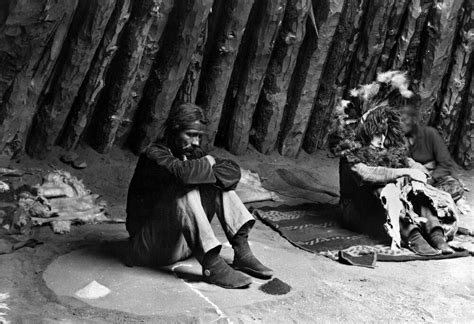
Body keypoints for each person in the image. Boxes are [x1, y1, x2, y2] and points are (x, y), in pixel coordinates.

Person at [126, 103, 273, 289]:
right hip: (148, 248)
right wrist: (210, 164)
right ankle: (212, 265)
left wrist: (209, 165)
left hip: (182, 246)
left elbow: (233, 172)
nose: (196, 142)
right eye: (190, 134)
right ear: (174, 129)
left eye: (198, 136)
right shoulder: (153, 154)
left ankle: (242, 252)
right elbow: (183, 175)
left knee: (219, 184)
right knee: (184, 187)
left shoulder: (192, 152)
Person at [332, 71, 457, 256]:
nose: (382, 138)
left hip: (380, 207)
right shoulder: (350, 147)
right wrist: (403, 173)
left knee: (414, 188)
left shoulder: (387, 142)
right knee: (383, 188)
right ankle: (413, 236)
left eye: (383, 132)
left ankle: (436, 235)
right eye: (377, 133)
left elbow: (407, 161)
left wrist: (416, 172)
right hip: (356, 211)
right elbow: (366, 174)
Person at [400, 97, 464, 201]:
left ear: (414, 120)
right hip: (417, 179)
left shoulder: (430, 133)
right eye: (399, 121)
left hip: (438, 178)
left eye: (404, 120)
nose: (401, 124)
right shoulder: (402, 140)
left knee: (455, 188)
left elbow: (445, 163)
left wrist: (431, 179)